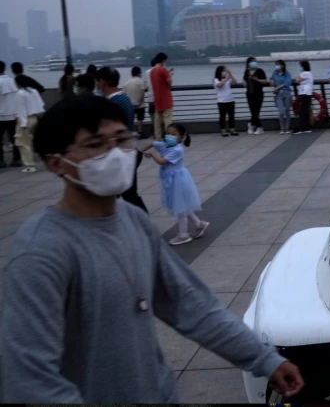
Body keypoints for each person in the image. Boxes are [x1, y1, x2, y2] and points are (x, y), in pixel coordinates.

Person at [0, 96, 304, 402]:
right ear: (55, 162)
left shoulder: (133, 219)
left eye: (122, 139)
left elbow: (188, 302)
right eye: (95, 144)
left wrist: (263, 358)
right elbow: (30, 378)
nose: (115, 153)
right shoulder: (40, 252)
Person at [141, 123, 209, 246]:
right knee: (182, 205)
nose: (169, 136)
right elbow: (153, 143)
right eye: (168, 133)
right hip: (171, 179)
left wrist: (152, 154)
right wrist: (139, 152)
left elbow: (162, 161)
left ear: (180, 137)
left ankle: (183, 235)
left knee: (180, 208)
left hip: (178, 180)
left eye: (173, 134)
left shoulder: (177, 150)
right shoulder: (165, 144)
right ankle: (199, 224)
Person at [96, 67, 146, 212]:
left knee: (124, 195)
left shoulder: (111, 104)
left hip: (119, 154)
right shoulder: (124, 98)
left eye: (97, 81)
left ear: (103, 82)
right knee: (128, 194)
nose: (96, 85)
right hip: (129, 150)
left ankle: (142, 221)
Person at [11, 76, 45, 173]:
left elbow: (21, 110)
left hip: (25, 120)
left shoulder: (20, 93)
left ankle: (29, 165)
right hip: (35, 118)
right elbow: (41, 105)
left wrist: (23, 124)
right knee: (33, 141)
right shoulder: (34, 91)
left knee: (23, 143)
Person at [0, 60, 22, 168]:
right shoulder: (12, 81)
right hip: (14, 114)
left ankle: (1, 161)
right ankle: (17, 159)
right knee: (15, 139)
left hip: (1, 116)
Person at [149, 54, 174, 140]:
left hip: (157, 99)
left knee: (157, 121)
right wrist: (170, 75)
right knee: (167, 120)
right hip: (166, 99)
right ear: (163, 60)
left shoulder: (152, 71)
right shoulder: (163, 70)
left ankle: (158, 138)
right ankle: (170, 137)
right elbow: (169, 83)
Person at [243, 57, 270, 135]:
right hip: (249, 94)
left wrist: (256, 79)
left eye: (255, 61)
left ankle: (252, 125)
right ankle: (258, 127)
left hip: (258, 93)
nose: (254, 63)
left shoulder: (260, 71)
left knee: (256, 111)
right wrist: (245, 82)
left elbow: (265, 81)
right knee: (253, 111)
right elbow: (244, 80)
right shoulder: (247, 71)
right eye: (252, 62)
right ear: (248, 63)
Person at [213, 65, 238, 137]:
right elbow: (219, 85)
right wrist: (226, 78)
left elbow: (234, 82)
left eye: (225, 71)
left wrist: (230, 75)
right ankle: (223, 131)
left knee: (231, 116)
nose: (224, 72)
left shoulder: (227, 79)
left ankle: (232, 130)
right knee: (222, 117)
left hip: (230, 100)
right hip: (221, 101)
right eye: (223, 71)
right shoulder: (216, 79)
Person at [271, 60, 294, 134]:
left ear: (282, 65)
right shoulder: (275, 73)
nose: (277, 66)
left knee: (287, 111)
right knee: (281, 111)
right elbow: (271, 80)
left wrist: (277, 88)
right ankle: (282, 128)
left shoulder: (287, 74)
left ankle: (287, 128)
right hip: (278, 94)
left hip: (286, 92)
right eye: (276, 64)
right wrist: (271, 82)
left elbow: (286, 83)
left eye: (278, 64)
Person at [124, 67, 147, 136]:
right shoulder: (141, 81)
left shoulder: (127, 83)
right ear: (139, 73)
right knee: (140, 119)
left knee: (130, 119)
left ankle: (130, 133)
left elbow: (124, 94)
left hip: (130, 104)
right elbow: (142, 93)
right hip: (140, 104)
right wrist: (139, 102)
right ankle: (140, 133)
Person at [295, 60, 315, 134]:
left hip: (305, 93)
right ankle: (306, 127)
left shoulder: (305, 73)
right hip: (307, 93)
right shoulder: (308, 73)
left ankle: (302, 127)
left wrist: (297, 77)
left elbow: (297, 80)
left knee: (303, 111)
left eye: (300, 66)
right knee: (305, 110)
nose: (299, 67)